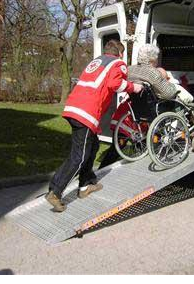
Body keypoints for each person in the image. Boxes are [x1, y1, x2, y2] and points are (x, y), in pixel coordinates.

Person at [46, 39, 143, 212]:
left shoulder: (97, 61)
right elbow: (115, 84)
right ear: (120, 53)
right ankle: (55, 191)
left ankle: (85, 186)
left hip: (74, 107)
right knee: (80, 156)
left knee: (93, 146)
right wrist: (133, 87)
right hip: (86, 112)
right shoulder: (118, 63)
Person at [98, 44, 177, 170]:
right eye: (156, 58)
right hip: (138, 117)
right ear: (152, 59)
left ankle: (101, 170)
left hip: (128, 112)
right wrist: (172, 84)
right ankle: (101, 171)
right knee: (124, 148)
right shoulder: (153, 73)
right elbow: (167, 93)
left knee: (118, 147)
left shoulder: (129, 70)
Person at [157, 67, 194, 137]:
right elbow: (189, 98)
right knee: (192, 107)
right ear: (167, 78)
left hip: (160, 111)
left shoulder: (152, 89)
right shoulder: (173, 86)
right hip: (175, 110)